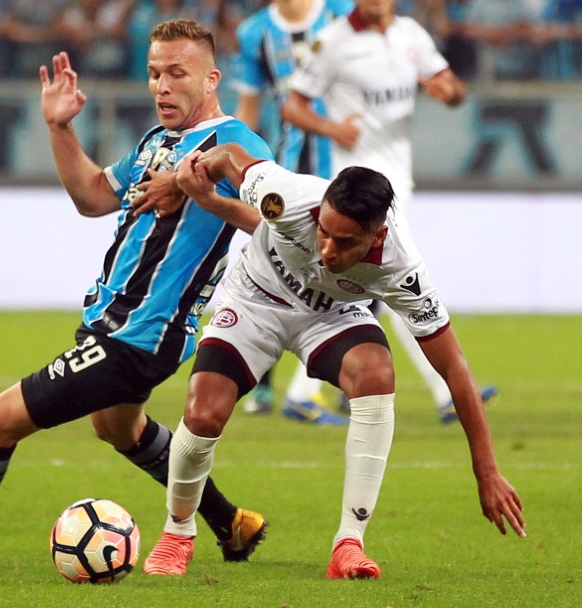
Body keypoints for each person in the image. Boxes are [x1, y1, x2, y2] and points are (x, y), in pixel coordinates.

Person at [0, 19, 275, 569]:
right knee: (119, 428)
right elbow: (95, 196)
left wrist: (202, 194)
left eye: (177, 73)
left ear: (212, 78)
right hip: (112, 323)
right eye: (152, 74)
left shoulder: (236, 143)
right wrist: (59, 128)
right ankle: (232, 523)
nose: (161, 86)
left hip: (141, 333)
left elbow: (274, 219)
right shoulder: (156, 142)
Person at [142, 143, 526, 578]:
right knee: (204, 413)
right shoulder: (286, 195)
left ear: (377, 236)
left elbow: (454, 368)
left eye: (345, 242)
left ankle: (349, 543)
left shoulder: (401, 270)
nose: (327, 249)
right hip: (254, 301)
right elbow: (229, 156)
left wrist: (487, 470)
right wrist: (180, 183)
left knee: (376, 374)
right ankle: (177, 532)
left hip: (331, 315)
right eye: (323, 232)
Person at [281, 0, 496, 424]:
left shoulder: (411, 35)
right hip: (359, 188)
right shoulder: (334, 41)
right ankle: (449, 392)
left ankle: (301, 393)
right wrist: (332, 128)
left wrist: (447, 91)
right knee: (407, 284)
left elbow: (452, 86)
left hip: (400, 181)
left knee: (376, 289)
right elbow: (293, 105)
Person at [231, 0, 353, 424]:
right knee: (269, 270)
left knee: (352, 271)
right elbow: (248, 107)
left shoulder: (344, 12)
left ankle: (333, 384)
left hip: (347, 165)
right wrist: (237, 164)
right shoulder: (254, 33)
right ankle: (262, 385)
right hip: (290, 167)